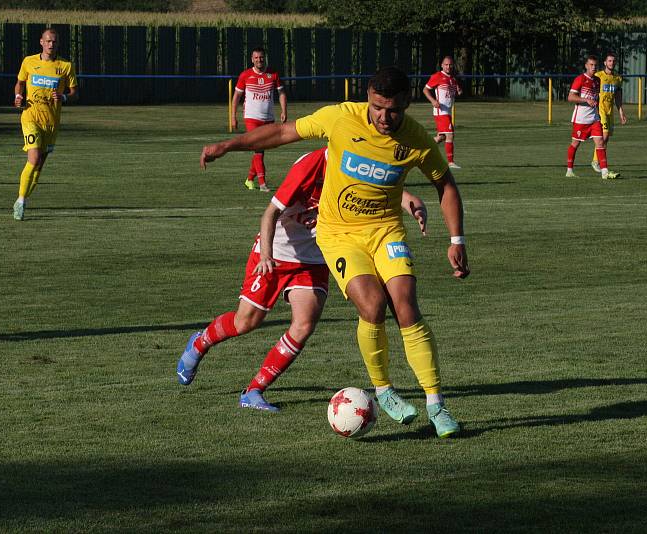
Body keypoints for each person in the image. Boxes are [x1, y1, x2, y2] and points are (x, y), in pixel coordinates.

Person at [201, 66, 470, 439]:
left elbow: (446, 184)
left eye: (392, 110)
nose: (383, 117)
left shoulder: (416, 139)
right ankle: (384, 390)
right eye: (377, 107)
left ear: (407, 104)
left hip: (385, 231)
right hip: (339, 235)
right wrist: (228, 145)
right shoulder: (341, 118)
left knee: (406, 305)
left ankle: (436, 404)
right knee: (372, 305)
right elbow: (281, 131)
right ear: (368, 100)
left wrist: (456, 241)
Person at [177, 147, 429, 412]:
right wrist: (266, 255)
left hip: (315, 257)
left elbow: (389, 189)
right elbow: (270, 213)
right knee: (246, 321)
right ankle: (200, 341)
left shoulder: (358, 164)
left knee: (304, 324)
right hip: (278, 251)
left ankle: (254, 391)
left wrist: (415, 206)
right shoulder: (309, 167)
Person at [12, 28, 78, 221]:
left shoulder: (65, 66)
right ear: (41, 42)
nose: (51, 45)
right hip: (30, 117)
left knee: (39, 165)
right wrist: (18, 95)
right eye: (48, 41)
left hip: (51, 123)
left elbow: (75, 92)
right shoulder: (29, 61)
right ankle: (21, 201)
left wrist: (64, 96)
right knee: (33, 158)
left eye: (54, 42)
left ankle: (23, 198)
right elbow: (19, 83)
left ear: (58, 44)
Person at [231, 47, 287, 193]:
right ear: (252, 59)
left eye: (261, 57)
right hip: (251, 118)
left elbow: (281, 92)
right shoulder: (246, 75)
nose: (259, 60)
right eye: (256, 58)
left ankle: (249, 179)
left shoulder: (273, 74)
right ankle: (262, 183)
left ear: (264, 58)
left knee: (261, 149)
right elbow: (236, 97)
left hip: (268, 119)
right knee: (258, 150)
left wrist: (283, 111)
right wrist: (233, 117)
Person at [565, 55, 619, 180]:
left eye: (595, 65)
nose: (593, 67)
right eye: (591, 65)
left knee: (600, 142)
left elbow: (596, 98)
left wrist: (597, 110)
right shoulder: (580, 79)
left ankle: (605, 172)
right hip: (581, 119)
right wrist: (586, 100)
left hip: (594, 119)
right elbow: (570, 97)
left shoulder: (597, 80)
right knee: (575, 144)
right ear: (586, 65)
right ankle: (569, 170)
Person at [591, 52, 628, 173]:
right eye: (609, 61)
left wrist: (621, 112)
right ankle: (596, 161)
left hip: (610, 111)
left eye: (613, 61)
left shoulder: (617, 78)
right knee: (604, 136)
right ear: (605, 63)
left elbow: (617, 96)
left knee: (606, 139)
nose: (612, 63)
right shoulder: (598, 75)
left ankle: (599, 161)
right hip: (600, 109)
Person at [423, 56, 461, 169]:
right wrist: (433, 101)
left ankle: (422, 149)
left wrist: (459, 91)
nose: (448, 67)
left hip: (447, 111)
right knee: (450, 135)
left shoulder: (453, 79)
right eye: (446, 64)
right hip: (441, 111)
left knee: (441, 137)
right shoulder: (437, 76)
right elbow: (425, 89)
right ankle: (450, 162)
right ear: (442, 65)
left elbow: (456, 91)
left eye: (450, 65)